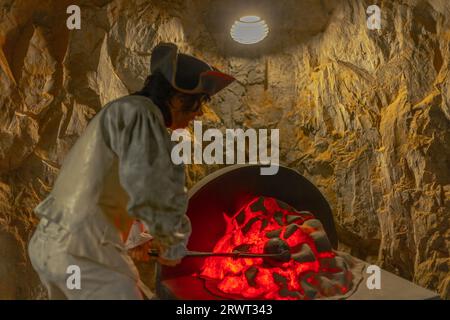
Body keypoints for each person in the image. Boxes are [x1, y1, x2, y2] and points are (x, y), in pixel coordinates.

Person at [27, 42, 235, 299]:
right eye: (199, 103)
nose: (200, 113)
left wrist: (138, 238)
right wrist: (172, 240)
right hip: (85, 254)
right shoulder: (142, 116)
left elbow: (110, 187)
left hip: (55, 248)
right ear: (178, 97)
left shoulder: (125, 111)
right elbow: (157, 185)